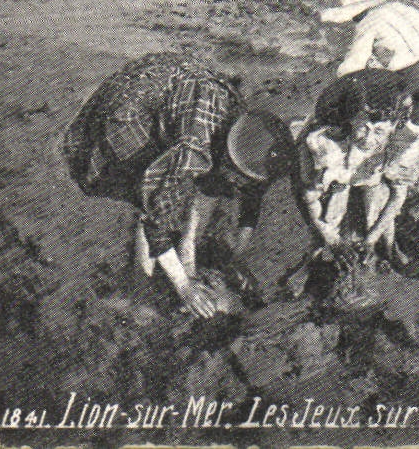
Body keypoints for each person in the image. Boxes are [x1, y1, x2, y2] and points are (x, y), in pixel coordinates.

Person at [62, 53, 295, 318]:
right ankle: (140, 290)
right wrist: (184, 286)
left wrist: (233, 253)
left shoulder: (246, 132)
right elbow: (156, 220)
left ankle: (176, 260)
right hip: (130, 113)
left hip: (171, 88)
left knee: (189, 187)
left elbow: (251, 195)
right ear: (227, 161)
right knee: (149, 196)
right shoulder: (193, 148)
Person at [297, 68, 419, 262]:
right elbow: (309, 196)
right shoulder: (327, 144)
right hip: (341, 169)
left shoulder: (403, 146)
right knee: (336, 195)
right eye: (363, 128)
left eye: (379, 131)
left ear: (394, 127)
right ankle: (320, 251)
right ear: (351, 120)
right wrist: (332, 239)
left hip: (373, 175)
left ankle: (389, 247)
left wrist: (372, 238)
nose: (368, 139)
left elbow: (398, 195)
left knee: (378, 193)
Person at [321, 0, 419, 130]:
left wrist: (340, 87)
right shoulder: (404, 8)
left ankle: (388, 133)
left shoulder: (368, 22)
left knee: (379, 103)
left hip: (413, 69)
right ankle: (418, 132)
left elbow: (354, 63)